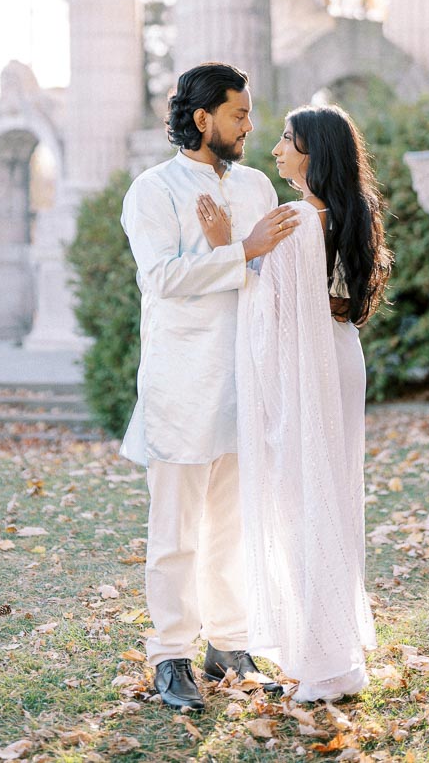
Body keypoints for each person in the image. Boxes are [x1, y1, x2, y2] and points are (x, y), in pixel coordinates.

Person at [119, 62, 300, 712]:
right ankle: (170, 656)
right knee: (175, 531)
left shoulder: (255, 187)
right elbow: (162, 278)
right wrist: (242, 252)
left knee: (233, 525)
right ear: (203, 119)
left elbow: (275, 278)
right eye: (239, 115)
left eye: (250, 115)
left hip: (246, 381)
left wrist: (253, 256)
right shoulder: (153, 190)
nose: (250, 126)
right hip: (182, 385)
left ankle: (229, 644)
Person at [197, 103, 392, 702]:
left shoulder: (295, 221)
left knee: (303, 499)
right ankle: (333, 653)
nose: (276, 148)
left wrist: (227, 247)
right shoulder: (344, 216)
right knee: (327, 493)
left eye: (286, 139)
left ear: (313, 153)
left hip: (307, 371)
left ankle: (325, 662)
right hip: (337, 359)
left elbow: (270, 312)